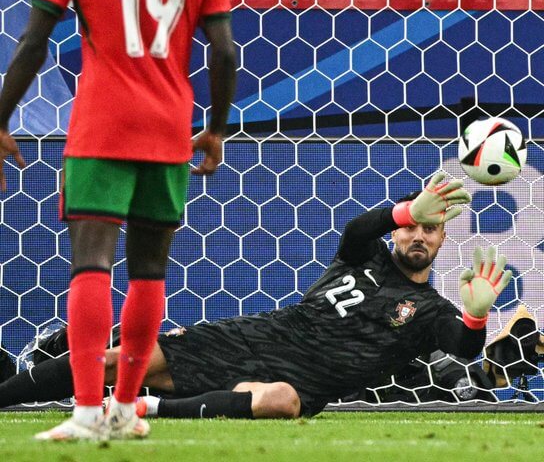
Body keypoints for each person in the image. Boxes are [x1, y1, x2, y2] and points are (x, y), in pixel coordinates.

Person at [0, 0, 236, 441]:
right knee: (151, 270)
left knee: (91, 263)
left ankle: (85, 412)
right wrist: (213, 128)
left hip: (102, 125)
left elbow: (33, 43)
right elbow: (224, 49)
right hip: (167, 128)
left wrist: (0, 117)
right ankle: (127, 410)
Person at [0, 173, 511, 420]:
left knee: (282, 402)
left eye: (431, 230)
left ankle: (139, 410)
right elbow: (357, 230)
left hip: (306, 380)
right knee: (117, 359)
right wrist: (400, 211)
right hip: (260, 336)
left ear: (444, 239)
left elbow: (464, 349)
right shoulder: (364, 255)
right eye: (412, 227)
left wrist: (476, 313)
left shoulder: (432, 311)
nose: (419, 237)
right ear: (399, 230)